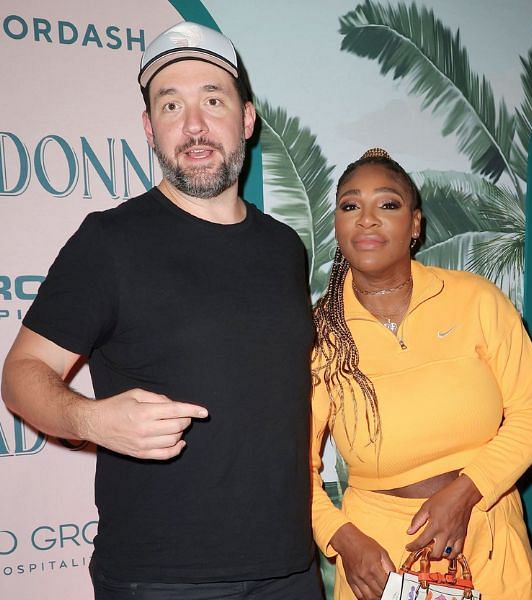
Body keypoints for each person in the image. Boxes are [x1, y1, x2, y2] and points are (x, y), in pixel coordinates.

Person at [0, 22, 321, 599]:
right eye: (171, 105)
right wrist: (90, 419)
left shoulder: (284, 247)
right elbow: (21, 376)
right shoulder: (109, 242)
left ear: (246, 119)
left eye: (212, 100)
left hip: (290, 571)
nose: (193, 125)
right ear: (150, 129)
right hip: (162, 579)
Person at [309, 148, 532, 600]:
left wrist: (466, 493)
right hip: (379, 566)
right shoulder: (320, 334)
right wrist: (343, 539)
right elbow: (291, 467)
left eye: (387, 204)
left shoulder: (476, 300)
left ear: (416, 224)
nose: (366, 219)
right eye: (350, 206)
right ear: (337, 225)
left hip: (490, 544)